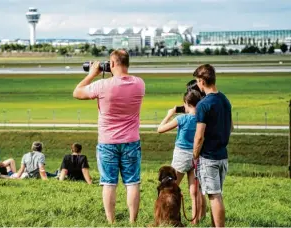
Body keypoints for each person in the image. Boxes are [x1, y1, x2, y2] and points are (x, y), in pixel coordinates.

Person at [73, 49, 145, 224]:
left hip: (108, 142)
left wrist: (92, 74)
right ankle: (132, 222)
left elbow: (77, 92)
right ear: (127, 63)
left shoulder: (102, 85)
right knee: (132, 182)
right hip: (131, 140)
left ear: (112, 64)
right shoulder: (139, 83)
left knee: (109, 183)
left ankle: (111, 222)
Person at [192, 64, 233, 227]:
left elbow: (199, 136)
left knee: (214, 197)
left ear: (202, 81)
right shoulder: (224, 100)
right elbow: (231, 127)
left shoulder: (203, 104)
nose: (197, 85)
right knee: (216, 194)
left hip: (209, 157)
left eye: (197, 81)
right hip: (223, 155)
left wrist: (195, 155)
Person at [157, 90, 206, 224]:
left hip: (181, 156)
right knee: (194, 191)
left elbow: (160, 129)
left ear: (186, 103)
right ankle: (195, 221)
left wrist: (169, 115)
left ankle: (167, 217)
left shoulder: (182, 118)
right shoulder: (203, 118)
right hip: (196, 156)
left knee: (170, 189)